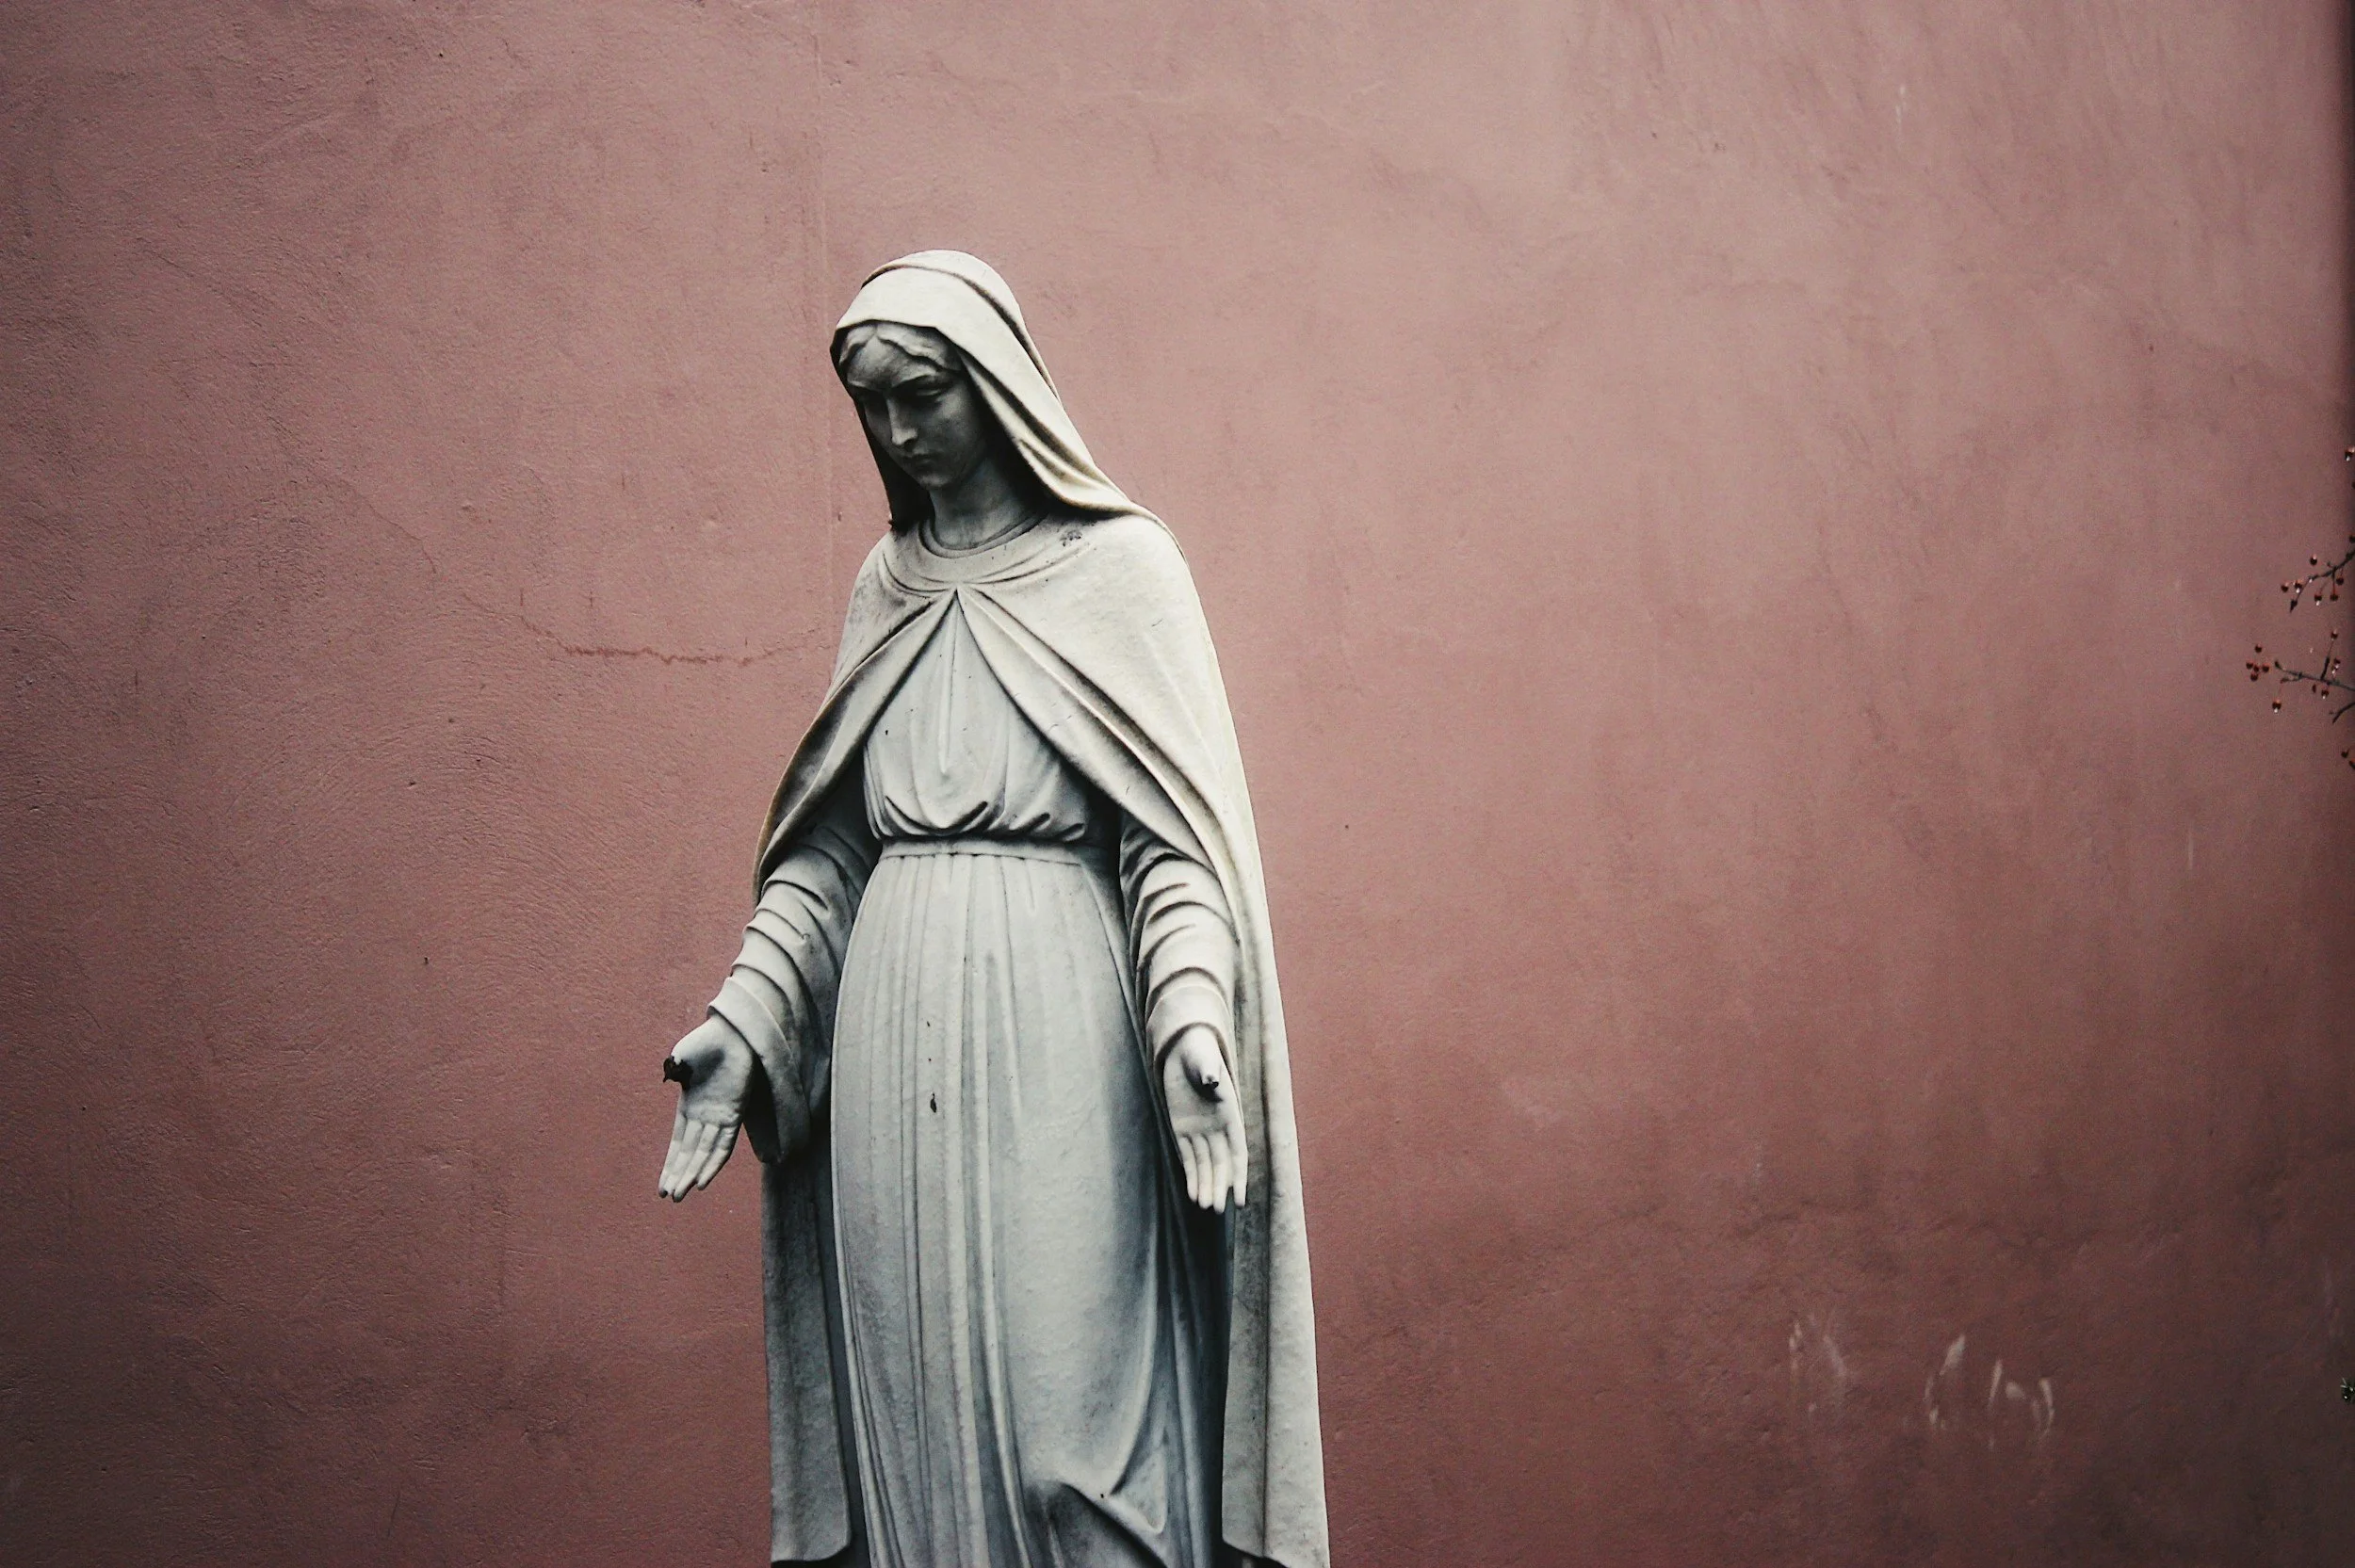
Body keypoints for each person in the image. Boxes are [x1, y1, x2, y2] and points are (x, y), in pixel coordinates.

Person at [656, 251, 1326, 1568]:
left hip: (1064, 1042)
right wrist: (747, 1018)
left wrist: (1194, 1015)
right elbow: (828, 855)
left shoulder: (1121, 570)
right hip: (891, 1047)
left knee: (1071, 1446)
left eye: (924, 394)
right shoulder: (886, 587)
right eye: (874, 406)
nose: (900, 431)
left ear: (998, 385)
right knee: (912, 1421)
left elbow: (1174, 848)